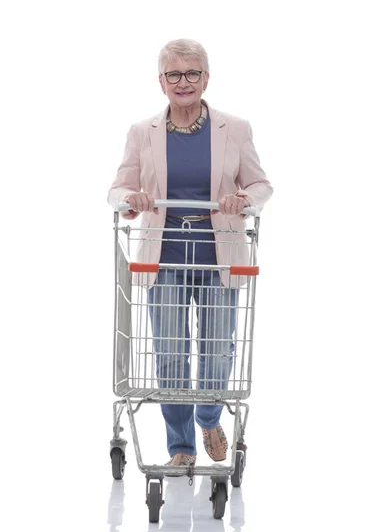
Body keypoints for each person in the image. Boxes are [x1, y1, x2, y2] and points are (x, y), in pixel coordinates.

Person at [107, 38, 273, 470]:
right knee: (169, 351)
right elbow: (117, 189)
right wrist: (132, 200)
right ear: (161, 81)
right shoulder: (142, 132)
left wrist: (243, 198)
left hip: (220, 252)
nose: (185, 82)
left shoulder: (234, 128)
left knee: (218, 349)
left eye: (193, 73)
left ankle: (208, 418)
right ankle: (181, 446)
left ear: (207, 78)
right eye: (175, 74)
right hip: (162, 256)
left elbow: (261, 184)